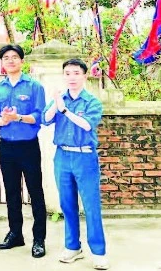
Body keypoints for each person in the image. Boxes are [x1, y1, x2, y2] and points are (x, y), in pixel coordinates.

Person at [43, 58, 109, 270]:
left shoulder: (91, 101)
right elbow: (45, 119)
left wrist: (65, 111)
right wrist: (56, 104)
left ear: (84, 76)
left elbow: (87, 125)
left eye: (76, 73)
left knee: (91, 205)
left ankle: (98, 252)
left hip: (84, 157)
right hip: (62, 156)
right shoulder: (60, 98)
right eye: (68, 73)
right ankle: (73, 247)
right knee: (67, 204)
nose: (71, 77)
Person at [0, 44, 47, 258]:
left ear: (22, 61)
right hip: (7, 146)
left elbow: (40, 116)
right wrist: (0, 120)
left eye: (14, 57)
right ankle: (15, 234)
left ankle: (39, 239)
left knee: (35, 192)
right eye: (6, 58)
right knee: (11, 192)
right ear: (2, 62)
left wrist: (18, 117)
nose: (10, 61)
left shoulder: (34, 86)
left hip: (28, 146)